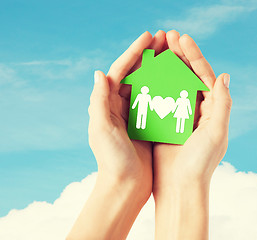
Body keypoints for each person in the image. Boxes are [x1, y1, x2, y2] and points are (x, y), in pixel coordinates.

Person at [66, 29, 232, 240]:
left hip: (175, 117)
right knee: (148, 119)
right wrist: (121, 179)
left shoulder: (179, 99)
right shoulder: (144, 98)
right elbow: (137, 103)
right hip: (148, 115)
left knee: (176, 123)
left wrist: (180, 186)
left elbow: (171, 106)